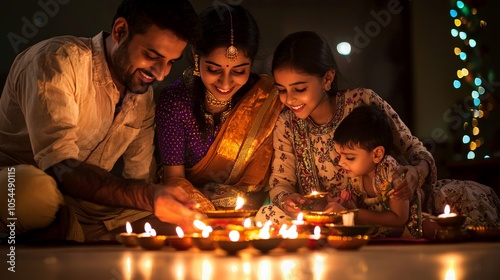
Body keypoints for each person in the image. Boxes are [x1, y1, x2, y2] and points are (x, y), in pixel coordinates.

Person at [0, 0, 201, 242]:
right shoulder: (57, 61)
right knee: (32, 193)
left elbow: (139, 181)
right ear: (120, 31)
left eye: (170, 62)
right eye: (152, 55)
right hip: (22, 188)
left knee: (181, 221)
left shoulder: (142, 95)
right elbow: (59, 167)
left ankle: (69, 233)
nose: (160, 74)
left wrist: (161, 203)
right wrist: (148, 195)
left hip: (88, 205)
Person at [257, 31, 500, 230]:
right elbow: (281, 183)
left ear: (327, 79)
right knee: (267, 215)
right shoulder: (286, 123)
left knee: (457, 206)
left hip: (389, 211)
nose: (289, 99)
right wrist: (287, 200)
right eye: (281, 89)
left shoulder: (362, 100)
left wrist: (416, 173)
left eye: (299, 89)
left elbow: (416, 151)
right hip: (331, 218)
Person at [156, 4, 283, 212]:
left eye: (239, 70)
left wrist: (238, 199)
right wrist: (207, 207)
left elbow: (263, 184)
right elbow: (174, 180)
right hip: (190, 212)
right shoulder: (175, 101)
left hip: (251, 213)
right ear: (197, 57)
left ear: (251, 64)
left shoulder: (265, 99)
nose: (225, 83)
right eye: (214, 69)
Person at [333, 105, 500, 238]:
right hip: (406, 224)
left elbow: (400, 218)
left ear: (377, 154)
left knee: (455, 233)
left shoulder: (391, 173)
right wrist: (348, 205)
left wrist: (353, 213)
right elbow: (372, 215)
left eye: (349, 157)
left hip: (432, 208)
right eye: (340, 155)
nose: (341, 162)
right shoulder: (355, 176)